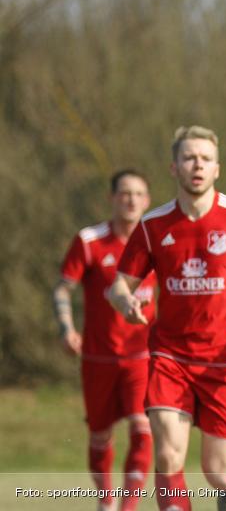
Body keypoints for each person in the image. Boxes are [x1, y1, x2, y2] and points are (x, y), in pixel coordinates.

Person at [108, 126, 226, 511]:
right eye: (190, 158)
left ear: (217, 168)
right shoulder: (153, 225)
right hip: (171, 356)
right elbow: (118, 286)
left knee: (218, 472)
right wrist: (125, 302)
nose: (197, 165)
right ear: (174, 167)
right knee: (169, 456)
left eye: (205, 159)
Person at [55, 169, 156, 511]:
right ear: (112, 198)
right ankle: (106, 501)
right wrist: (66, 328)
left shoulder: (158, 241)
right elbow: (63, 289)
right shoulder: (89, 241)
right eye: (124, 193)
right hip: (98, 357)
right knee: (100, 435)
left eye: (138, 194)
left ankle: (128, 506)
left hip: (142, 356)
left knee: (144, 428)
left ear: (148, 201)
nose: (131, 200)